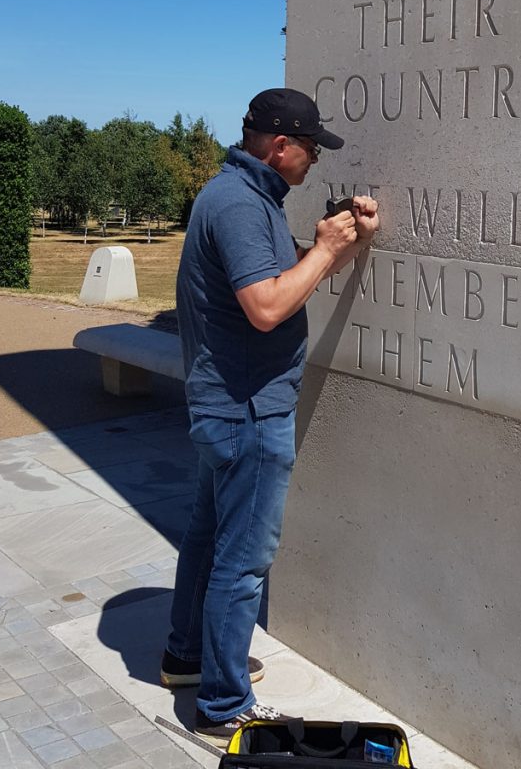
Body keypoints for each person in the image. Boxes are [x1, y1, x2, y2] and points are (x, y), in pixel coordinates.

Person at [159, 88, 379, 747]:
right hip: (247, 410)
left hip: (228, 404)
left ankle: (185, 657)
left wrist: (319, 241)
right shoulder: (236, 205)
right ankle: (223, 706)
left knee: (206, 536)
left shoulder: (239, 197)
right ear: (280, 145)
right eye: (311, 147)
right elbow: (264, 307)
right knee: (243, 561)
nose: (315, 159)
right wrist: (329, 251)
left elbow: (263, 287)